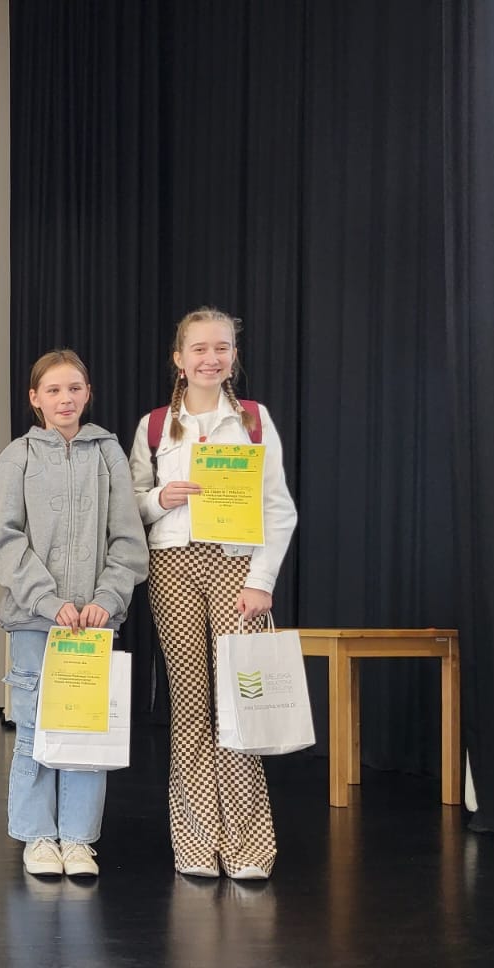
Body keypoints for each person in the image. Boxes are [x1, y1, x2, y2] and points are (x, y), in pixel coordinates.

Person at [130, 307, 298, 880]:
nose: (211, 358)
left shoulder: (253, 420)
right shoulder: (155, 426)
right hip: (172, 566)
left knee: (238, 701)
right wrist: (161, 499)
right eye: (199, 348)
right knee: (190, 704)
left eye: (221, 348)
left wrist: (261, 581)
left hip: (234, 567)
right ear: (178, 359)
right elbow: (130, 507)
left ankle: (248, 845)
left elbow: (278, 507)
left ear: (233, 356)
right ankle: (197, 843)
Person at [0, 350, 148, 878]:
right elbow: (2, 540)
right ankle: (37, 836)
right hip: (37, 622)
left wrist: (107, 599)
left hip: (95, 624)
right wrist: (50, 603)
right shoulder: (17, 457)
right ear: (34, 398)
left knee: (85, 730)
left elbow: (128, 539)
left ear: (88, 393)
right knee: (34, 728)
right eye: (53, 390)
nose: (65, 399)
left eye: (74, 388)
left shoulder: (108, 454)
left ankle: (77, 840)